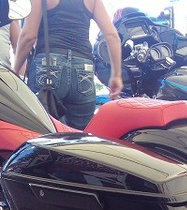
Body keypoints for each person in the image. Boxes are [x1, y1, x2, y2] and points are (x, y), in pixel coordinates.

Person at [13, 0, 123, 129]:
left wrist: (15, 70)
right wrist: (116, 75)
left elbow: (28, 36)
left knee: (39, 130)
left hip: (48, 66)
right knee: (80, 135)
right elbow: (112, 36)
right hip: (83, 70)